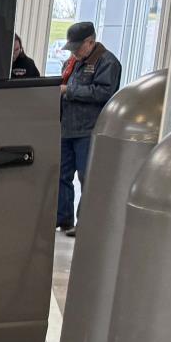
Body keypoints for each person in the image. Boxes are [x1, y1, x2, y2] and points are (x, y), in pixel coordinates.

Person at [56, 20, 121, 236]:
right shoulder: (71, 63)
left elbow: (103, 93)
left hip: (88, 130)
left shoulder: (108, 62)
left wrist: (69, 91)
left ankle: (84, 223)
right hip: (66, 128)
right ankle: (62, 219)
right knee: (62, 175)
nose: (73, 52)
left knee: (86, 177)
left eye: (77, 47)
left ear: (90, 42)